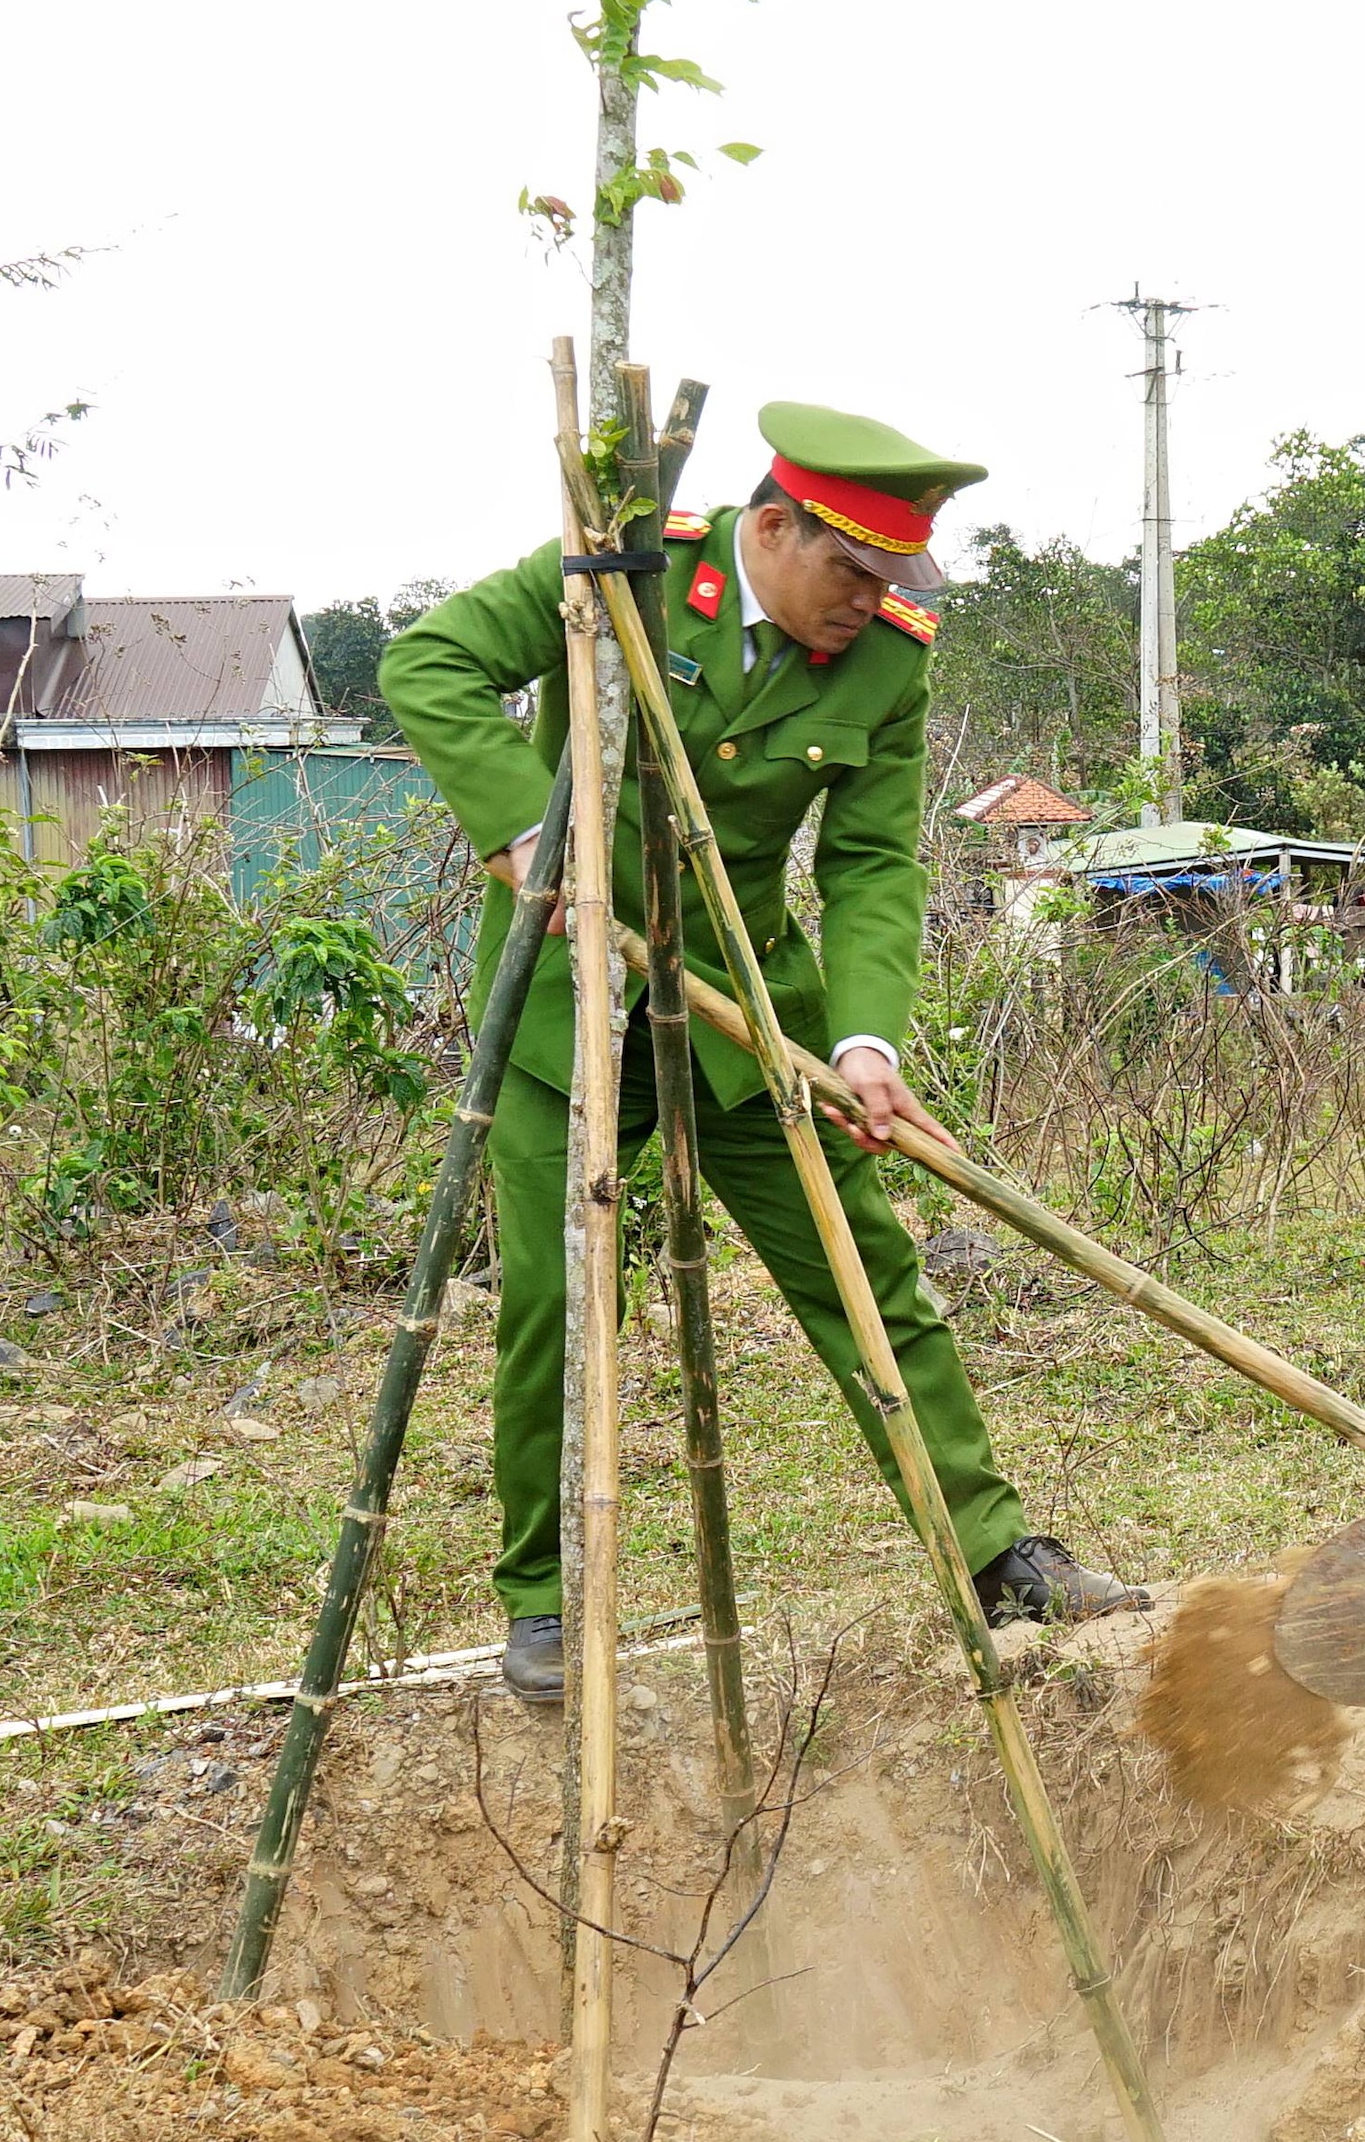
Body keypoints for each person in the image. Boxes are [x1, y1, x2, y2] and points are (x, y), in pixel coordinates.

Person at [381, 401, 1136, 1707]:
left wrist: (860, 1037)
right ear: (773, 528)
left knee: (867, 1274)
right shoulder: (630, 570)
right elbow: (431, 661)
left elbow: (869, 862)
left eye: (895, 577)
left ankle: (991, 1545)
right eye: (853, 569)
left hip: (746, 1015)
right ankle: (544, 1600)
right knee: (559, 1308)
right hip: (570, 1010)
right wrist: (519, 833)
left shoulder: (888, 661)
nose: (871, 600)